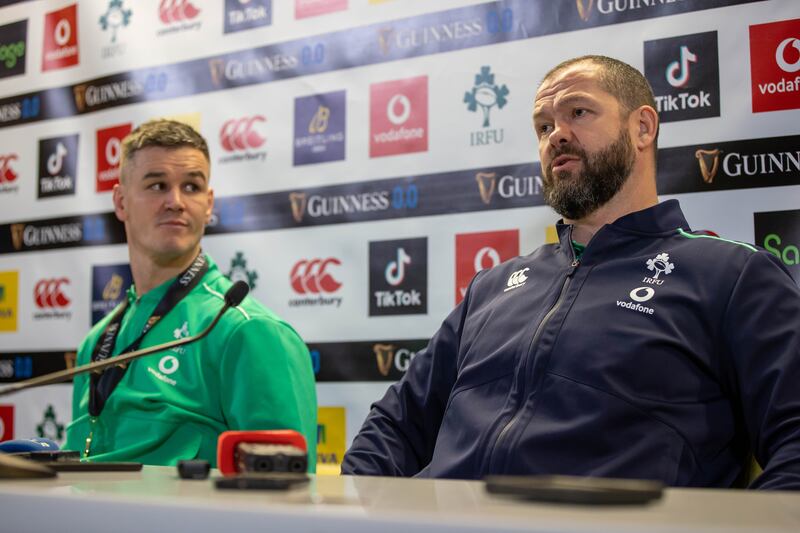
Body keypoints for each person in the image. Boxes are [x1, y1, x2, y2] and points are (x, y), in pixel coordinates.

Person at [341, 56, 800, 489]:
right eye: (543, 126)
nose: (556, 135)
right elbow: (393, 429)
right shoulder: (494, 286)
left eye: (578, 112)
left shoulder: (732, 275)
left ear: (642, 128)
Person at [64, 119, 317, 469]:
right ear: (121, 202)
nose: (176, 202)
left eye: (192, 187)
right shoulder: (96, 342)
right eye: (157, 185)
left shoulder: (248, 331)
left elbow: (286, 503)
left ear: (209, 203)